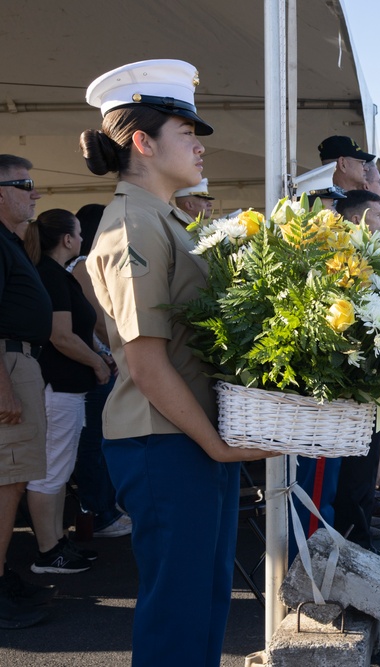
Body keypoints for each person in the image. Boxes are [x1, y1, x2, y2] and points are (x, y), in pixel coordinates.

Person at [81, 59, 274, 665]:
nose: (198, 145)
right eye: (186, 132)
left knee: (206, 599)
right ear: (142, 140)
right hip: (163, 439)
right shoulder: (133, 226)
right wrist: (216, 444)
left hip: (188, 433)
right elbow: (144, 362)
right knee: (178, 613)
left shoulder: (166, 220)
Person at [22, 210, 112, 575]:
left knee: (57, 468)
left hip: (65, 388)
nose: (82, 239)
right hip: (57, 386)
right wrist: (98, 362)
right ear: (68, 239)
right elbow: (61, 336)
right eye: (78, 233)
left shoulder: (53, 273)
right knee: (50, 470)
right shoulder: (52, 275)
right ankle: (48, 550)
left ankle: (56, 543)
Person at [0, 154, 55, 629]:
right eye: (24, 183)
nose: (34, 192)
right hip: (9, 365)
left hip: (20, 363)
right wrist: (4, 389)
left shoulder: (11, 243)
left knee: (12, 481)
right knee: (6, 481)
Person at [334, 190, 380, 559]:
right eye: (379, 215)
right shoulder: (347, 257)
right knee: (352, 472)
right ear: (358, 219)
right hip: (354, 382)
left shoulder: (375, 255)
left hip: (373, 380)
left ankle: (360, 538)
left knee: (364, 467)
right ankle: (353, 546)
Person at [70, 204, 131, 540]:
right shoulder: (81, 265)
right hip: (101, 363)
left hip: (104, 361)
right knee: (96, 442)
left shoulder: (84, 264)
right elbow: (99, 317)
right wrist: (121, 355)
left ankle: (105, 509)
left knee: (100, 439)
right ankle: (100, 512)